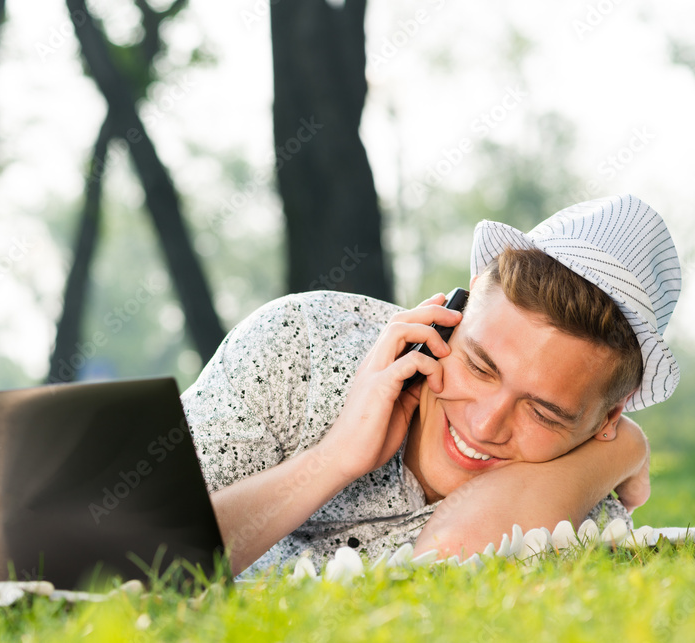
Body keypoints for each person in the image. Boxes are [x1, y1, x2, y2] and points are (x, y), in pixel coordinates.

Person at [180, 194, 681, 576]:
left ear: (604, 422)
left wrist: (622, 451)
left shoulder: (580, 497)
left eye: (543, 413)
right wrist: (333, 458)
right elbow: (126, 559)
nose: (486, 425)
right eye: (480, 367)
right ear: (447, 320)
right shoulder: (301, 347)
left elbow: (445, 568)